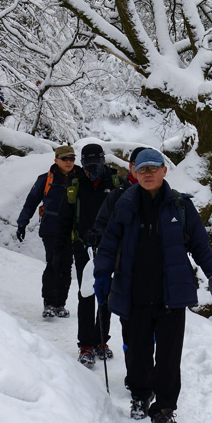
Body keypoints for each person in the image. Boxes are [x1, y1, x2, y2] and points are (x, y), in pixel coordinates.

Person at [92, 147, 212, 423]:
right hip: (133, 293)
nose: (148, 173)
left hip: (170, 295)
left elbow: (200, 243)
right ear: (135, 173)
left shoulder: (180, 206)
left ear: (164, 171)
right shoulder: (124, 205)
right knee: (137, 352)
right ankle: (140, 395)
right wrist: (101, 275)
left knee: (168, 358)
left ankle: (164, 411)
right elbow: (109, 243)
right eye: (143, 169)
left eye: (153, 168)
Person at [16, 144, 83, 318]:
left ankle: (60, 304)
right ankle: (49, 303)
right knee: (53, 263)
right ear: (56, 160)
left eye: (72, 158)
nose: (69, 162)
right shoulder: (45, 179)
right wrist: (22, 223)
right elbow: (31, 202)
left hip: (72, 230)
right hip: (51, 228)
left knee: (66, 265)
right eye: (65, 158)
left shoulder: (82, 177)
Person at [72, 143, 123, 367]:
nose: (92, 169)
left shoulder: (116, 184)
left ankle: (101, 340)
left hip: (109, 248)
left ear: (103, 161)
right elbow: (66, 216)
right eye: (88, 165)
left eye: (96, 163)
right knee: (86, 294)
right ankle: (85, 344)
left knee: (105, 293)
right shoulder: (75, 184)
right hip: (82, 247)